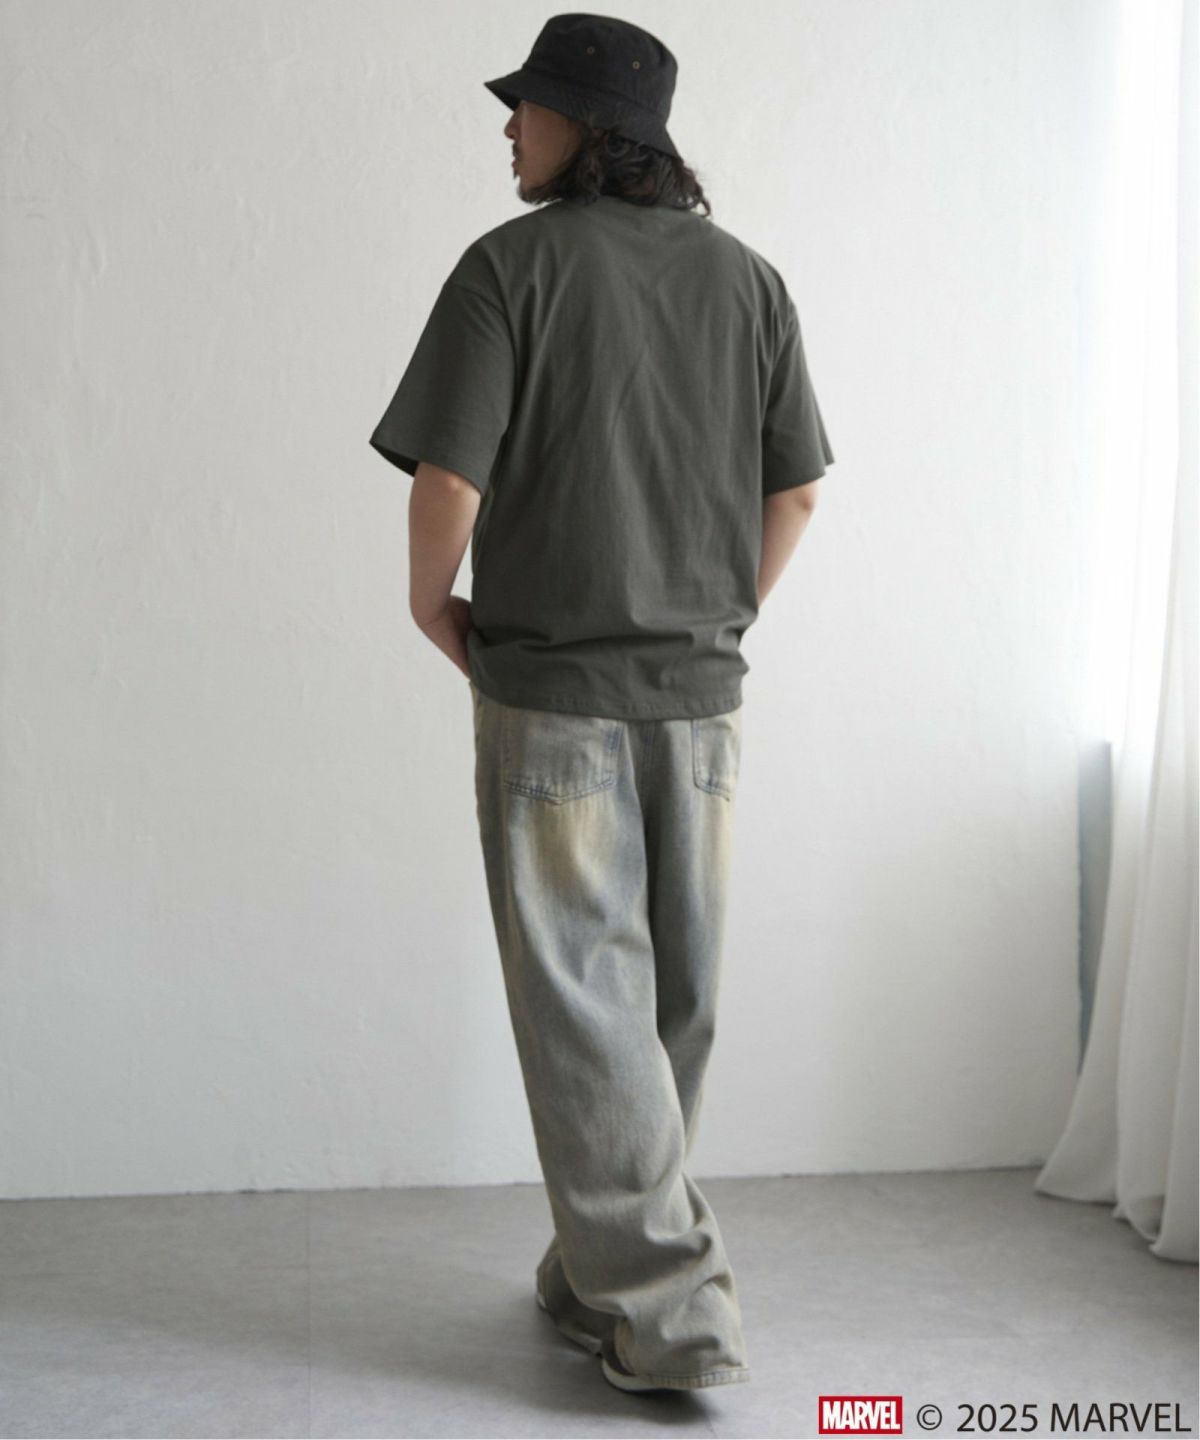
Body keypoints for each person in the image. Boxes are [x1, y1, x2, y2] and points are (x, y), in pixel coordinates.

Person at [368, 12, 834, 1395]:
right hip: (701, 703)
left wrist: (430, 601)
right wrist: (722, 617)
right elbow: (798, 492)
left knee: (586, 1008)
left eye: (527, 106)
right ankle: (598, 1271)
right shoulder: (749, 282)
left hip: (554, 695)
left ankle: (673, 1315)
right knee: (669, 1002)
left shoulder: (508, 269)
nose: (508, 127)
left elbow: (449, 478)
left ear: (587, 128)